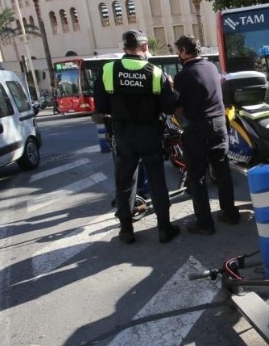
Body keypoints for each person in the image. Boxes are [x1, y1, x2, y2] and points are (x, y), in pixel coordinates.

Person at [93, 30, 180, 244]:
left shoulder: (108, 70)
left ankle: (126, 229)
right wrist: (170, 87)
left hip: (123, 134)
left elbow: (101, 107)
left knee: (125, 181)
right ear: (145, 47)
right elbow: (169, 108)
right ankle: (164, 228)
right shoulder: (156, 73)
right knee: (157, 179)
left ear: (124, 48)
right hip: (150, 133)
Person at [173, 35, 240, 235]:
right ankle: (230, 213)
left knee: (197, 176)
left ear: (184, 51)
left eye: (178, 51)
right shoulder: (212, 67)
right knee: (222, 172)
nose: (177, 54)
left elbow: (178, 108)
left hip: (198, 128)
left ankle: (204, 223)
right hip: (219, 124)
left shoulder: (182, 75)